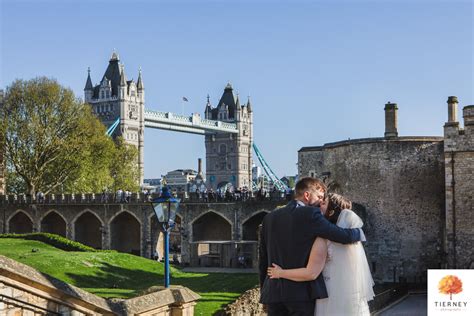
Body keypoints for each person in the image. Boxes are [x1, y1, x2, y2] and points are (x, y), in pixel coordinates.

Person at [259, 177, 365, 316]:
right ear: (307, 195)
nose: (321, 201)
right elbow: (342, 236)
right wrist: (359, 231)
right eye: (319, 197)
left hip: (273, 294)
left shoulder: (269, 218)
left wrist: (264, 294)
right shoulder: (310, 214)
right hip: (301, 295)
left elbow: (263, 260)